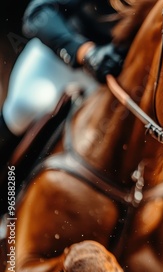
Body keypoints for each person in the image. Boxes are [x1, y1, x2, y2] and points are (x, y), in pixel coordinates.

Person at [0, 0, 127, 167]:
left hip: (110, 77)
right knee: (24, 108)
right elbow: (38, 13)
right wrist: (85, 52)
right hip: (58, 57)